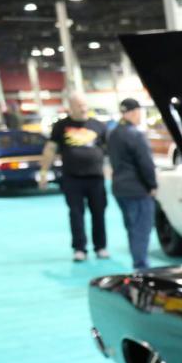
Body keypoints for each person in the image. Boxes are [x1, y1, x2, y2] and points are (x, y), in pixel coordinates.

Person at [39, 93, 110, 262]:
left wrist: (111, 169)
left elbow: (110, 149)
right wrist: (43, 173)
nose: (83, 108)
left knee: (99, 213)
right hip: (72, 178)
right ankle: (79, 248)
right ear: (70, 107)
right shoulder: (61, 126)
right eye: (79, 105)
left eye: (85, 105)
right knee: (76, 214)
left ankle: (100, 246)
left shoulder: (98, 125)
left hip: (96, 178)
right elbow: (50, 149)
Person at [106, 98, 159, 271]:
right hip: (137, 189)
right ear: (134, 112)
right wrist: (152, 185)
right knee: (141, 229)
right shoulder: (135, 134)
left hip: (119, 188)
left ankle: (138, 264)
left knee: (131, 227)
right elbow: (145, 163)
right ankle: (141, 267)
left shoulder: (113, 133)